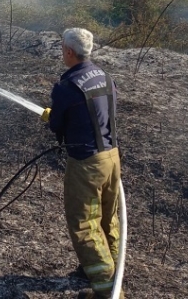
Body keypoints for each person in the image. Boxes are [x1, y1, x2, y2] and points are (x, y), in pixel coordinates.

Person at [41, 28, 123, 299]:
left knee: (85, 224)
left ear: (68, 51)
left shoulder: (67, 86)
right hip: (112, 158)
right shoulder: (104, 76)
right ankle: (112, 271)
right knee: (108, 219)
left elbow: (57, 125)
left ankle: (105, 289)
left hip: (87, 165)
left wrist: (51, 116)